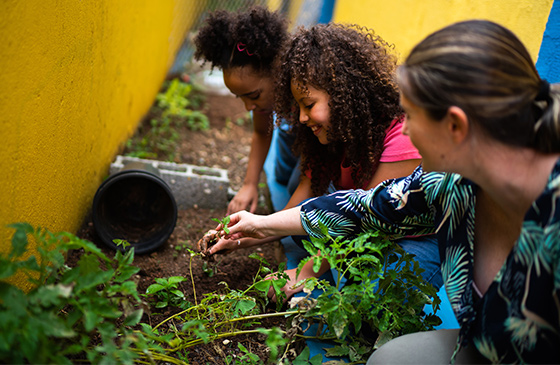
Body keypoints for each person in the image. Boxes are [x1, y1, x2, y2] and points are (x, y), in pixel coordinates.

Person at [218, 19, 560, 364]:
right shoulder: (452, 183)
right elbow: (368, 207)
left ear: (455, 126)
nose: (405, 128)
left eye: (411, 115)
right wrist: (261, 226)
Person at [208, 23, 442, 302]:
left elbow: (368, 219)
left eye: (309, 105)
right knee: (302, 230)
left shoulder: (400, 136)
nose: (303, 118)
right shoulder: (332, 134)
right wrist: (246, 233)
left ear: (344, 95)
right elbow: (306, 195)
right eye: (299, 108)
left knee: (381, 294)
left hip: (411, 238)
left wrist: (303, 274)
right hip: (359, 223)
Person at [194, 6, 299, 216]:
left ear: (278, 72)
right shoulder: (264, 97)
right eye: (239, 97)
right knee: (282, 175)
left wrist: (275, 225)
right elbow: (261, 132)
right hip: (292, 136)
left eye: (253, 96)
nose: (248, 107)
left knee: (295, 186)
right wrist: (250, 184)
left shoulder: (302, 90)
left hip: (320, 147)